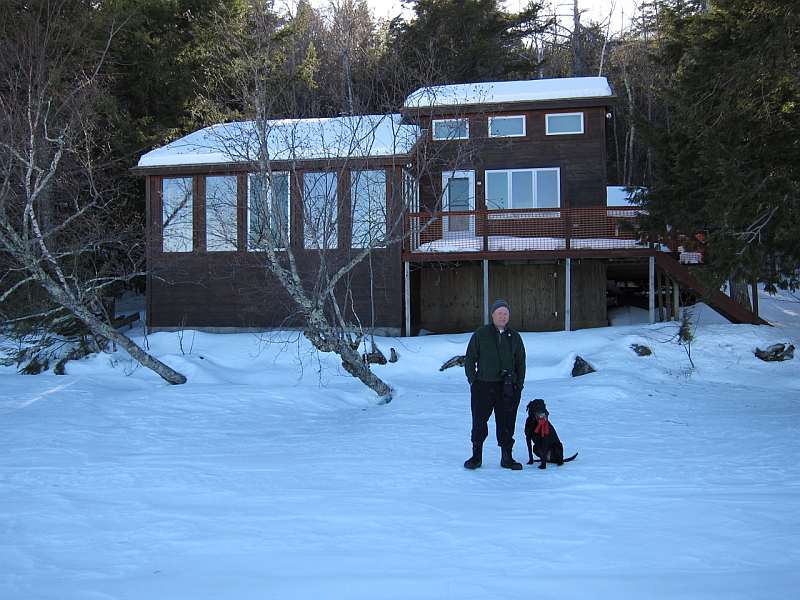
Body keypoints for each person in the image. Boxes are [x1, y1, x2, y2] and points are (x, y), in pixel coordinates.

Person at [463, 299, 526, 470]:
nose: (502, 316)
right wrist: (473, 381)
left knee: (507, 422)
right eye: (499, 313)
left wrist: (518, 385)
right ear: (492, 315)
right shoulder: (481, 334)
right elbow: (470, 359)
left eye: (505, 313)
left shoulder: (515, 337)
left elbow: (521, 363)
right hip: (483, 386)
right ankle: (476, 457)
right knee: (479, 421)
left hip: (507, 388)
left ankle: (507, 457)